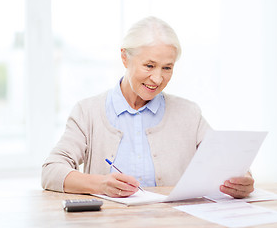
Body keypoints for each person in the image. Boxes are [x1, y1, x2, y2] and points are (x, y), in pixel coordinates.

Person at [41, 16, 254, 199]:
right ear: (124, 57)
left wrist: (243, 180)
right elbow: (51, 171)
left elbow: (229, 163)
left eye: (167, 67)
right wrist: (100, 184)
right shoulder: (87, 112)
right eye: (149, 65)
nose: (158, 78)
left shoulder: (189, 114)